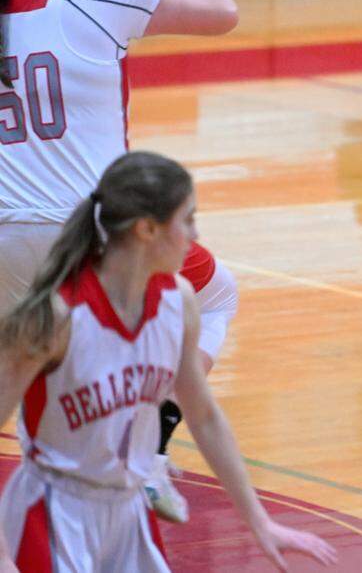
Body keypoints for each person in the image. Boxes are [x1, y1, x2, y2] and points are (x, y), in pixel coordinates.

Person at [0, 0, 240, 524]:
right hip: (84, 235)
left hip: (2, 237)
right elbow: (221, 10)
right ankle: (149, 450)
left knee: (37, 367)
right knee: (216, 295)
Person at [0, 151, 336, 571]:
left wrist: (260, 521)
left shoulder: (180, 302)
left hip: (128, 511)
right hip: (52, 513)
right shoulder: (54, 317)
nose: (194, 234)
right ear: (146, 229)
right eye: (188, 219)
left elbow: (206, 418)